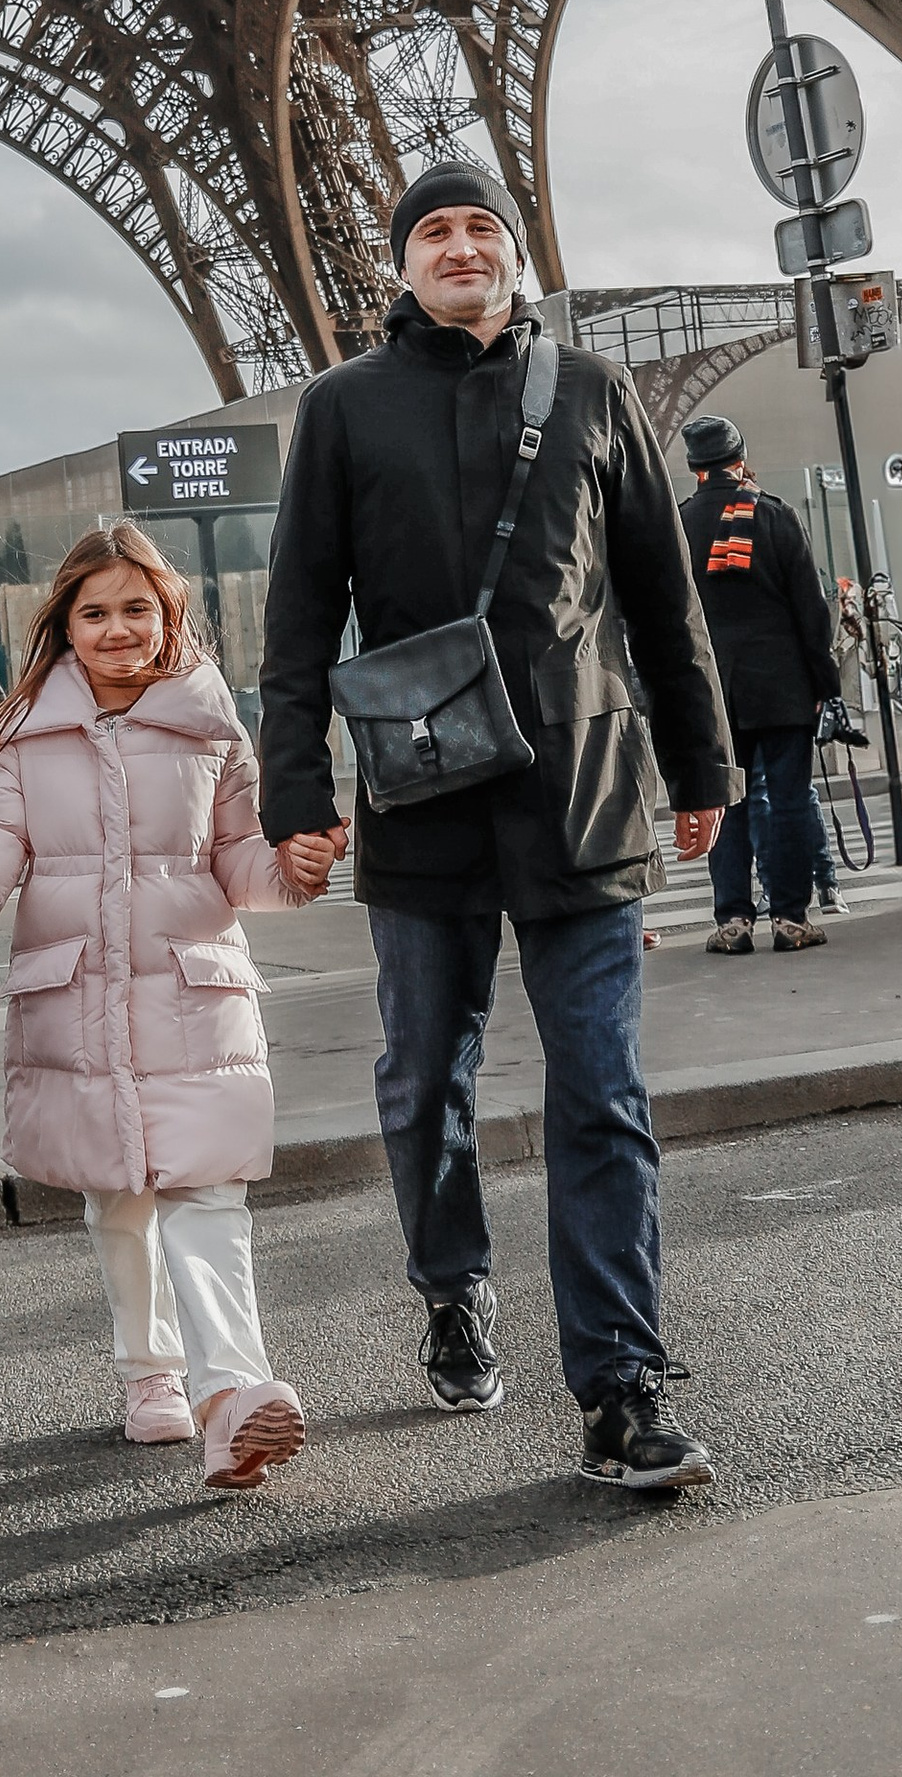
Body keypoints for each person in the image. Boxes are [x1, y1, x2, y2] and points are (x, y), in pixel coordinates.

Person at [257, 158, 735, 1496]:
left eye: (483, 228)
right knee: (425, 1078)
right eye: (437, 232)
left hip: (581, 791)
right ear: (401, 265)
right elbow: (298, 626)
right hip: (421, 796)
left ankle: (622, 1386)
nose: (462, 246)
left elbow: (660, 599)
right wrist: (293, 798)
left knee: (604, 1093)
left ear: (515, 258)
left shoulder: (592, 391)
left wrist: (702, 766)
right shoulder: (344, 409)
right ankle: (452, 1282)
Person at [0, 524, 314, 1491]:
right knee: (120, 1203)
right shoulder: (22, 738)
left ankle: (232, 1394)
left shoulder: (214, 725)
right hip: (81, 1007)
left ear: (169, 615)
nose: (118, 628)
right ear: (63, 624)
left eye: (138, 608)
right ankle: (150, 1376)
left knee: (206, 1194)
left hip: (191, 995)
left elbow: (239, 861)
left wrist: (288, 871)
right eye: (95, 611)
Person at [679, 417, 839, 954]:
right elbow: (811, 612)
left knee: (728, 803)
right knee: (790, 800)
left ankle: (733, 922)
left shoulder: (677, 526)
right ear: (741, 459)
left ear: (694, 468)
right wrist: (824, 682)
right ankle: (791, 919)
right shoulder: (775, 516)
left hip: (715, 693)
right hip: (785, 689)